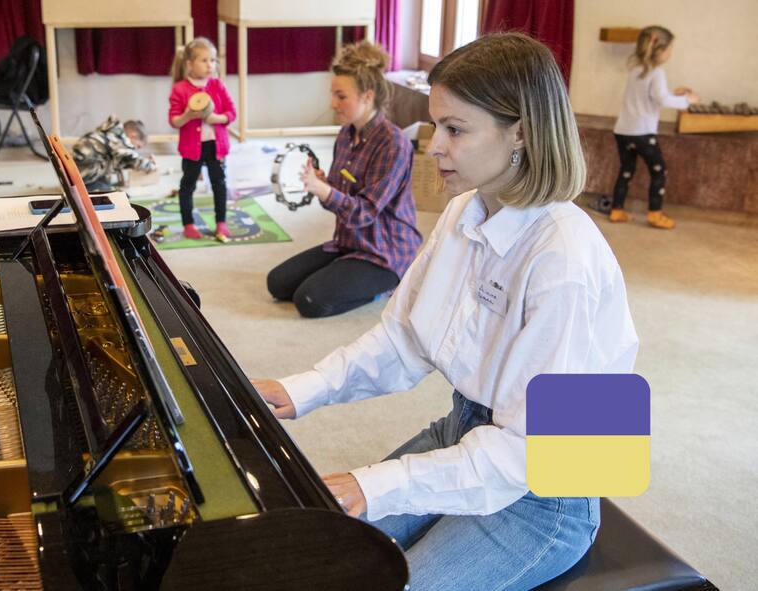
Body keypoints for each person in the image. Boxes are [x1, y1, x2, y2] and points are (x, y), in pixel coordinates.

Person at [253, 33, 639, 590]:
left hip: (544, 494)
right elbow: (402, 339)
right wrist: (303, 389)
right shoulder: (465, 211)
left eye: (455, 129)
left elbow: (525, 456)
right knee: (322, 550)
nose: (433, 146)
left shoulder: (565, 263)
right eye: (436, 125)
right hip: (464, 434)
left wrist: (377, 484)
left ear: (522, 134)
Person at [265, 41, 421, 318]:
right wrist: (324, 186)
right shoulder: (346, 135)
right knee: (277, 283)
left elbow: (366, 212)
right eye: (333, 95)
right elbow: (341, 203)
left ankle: (387, 284)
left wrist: (324, 191)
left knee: (309, 300)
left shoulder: (393, 143)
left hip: (384, 252)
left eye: (341, 96)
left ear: (367, 96)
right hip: (348, 242)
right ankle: (347, 270)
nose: (332, 103)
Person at [609, 25, 698, 229]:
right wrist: (687, 99)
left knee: (626, 170)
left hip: (623, 131)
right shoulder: (656, 72)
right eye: (670, 48)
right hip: (643, 133)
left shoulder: (634, 67)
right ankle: (655, 213)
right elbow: (661, 98)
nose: (671, 52)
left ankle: (617, 210)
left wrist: (673, 94)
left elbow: (653, 96)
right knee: (660, 172)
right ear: (660, 50)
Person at [168, 37, 236, 240]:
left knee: (219, 183)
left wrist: (216, 118)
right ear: (189, 64)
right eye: (204, 60)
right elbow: (174, 121)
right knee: (188, 185)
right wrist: (188, 115)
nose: (210, 65)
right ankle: (188, 224)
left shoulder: (218, 86)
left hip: (216, 146)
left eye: (213, 60)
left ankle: (221, 223)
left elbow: (232, 113)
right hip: (192, 148)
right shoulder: (180, 89)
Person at [71, 116, 157, 193]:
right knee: (118, 197)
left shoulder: (109, 133)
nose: (135, 149)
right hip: (83, 180)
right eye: (138, 146)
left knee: (113, 186)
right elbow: (132, 159)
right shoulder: (117, 140)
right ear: (132, 136)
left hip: (81, 175)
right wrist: (151, 166)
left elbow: (121, 160)